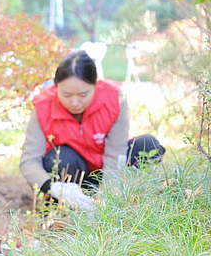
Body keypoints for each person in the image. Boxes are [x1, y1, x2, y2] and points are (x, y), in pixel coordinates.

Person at [19, 50, 165, 210]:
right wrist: (55, 188)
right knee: (58, 158)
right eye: (66, 95)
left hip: (109, 170)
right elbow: (29, 161)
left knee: (148, 145)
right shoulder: (43, 107)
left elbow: (116, 153)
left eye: (83, 95)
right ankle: (66, 207)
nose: (75, 102)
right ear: (56, 86)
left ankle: (136, 197)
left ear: (95, 84)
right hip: (73, 177)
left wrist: (109, 199)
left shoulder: (115, 99)